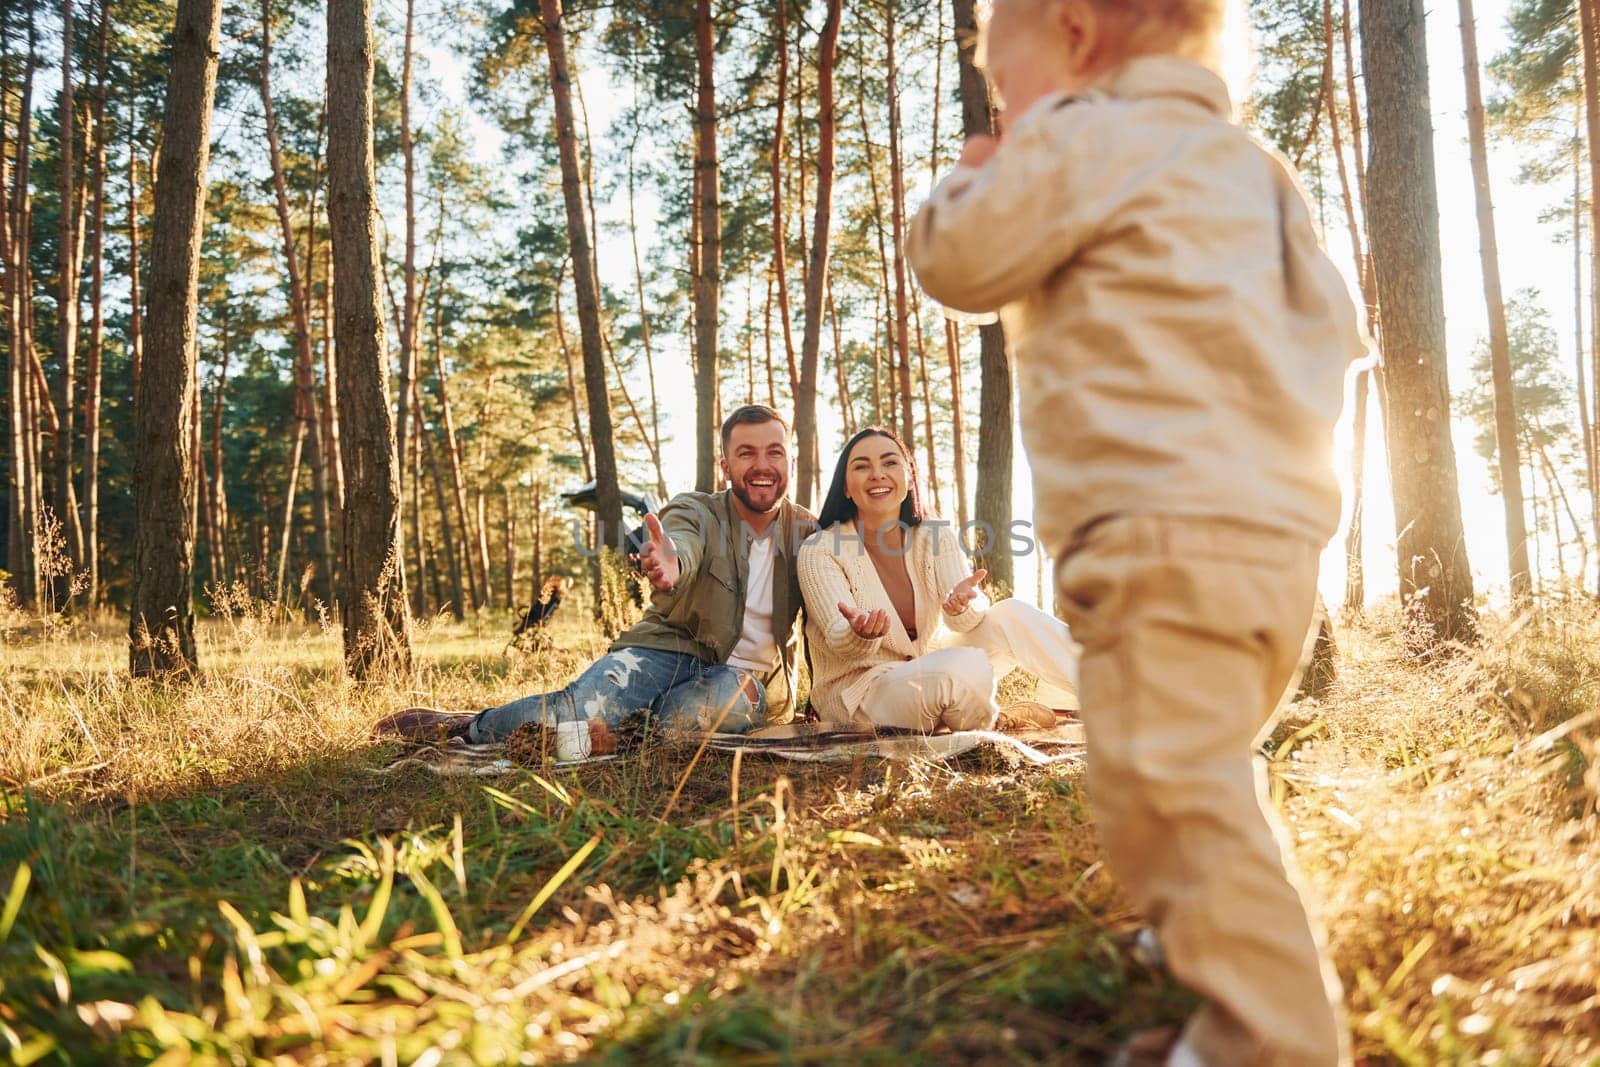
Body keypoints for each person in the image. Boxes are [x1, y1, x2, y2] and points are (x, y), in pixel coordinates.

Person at [906, 1, 1364, 1063]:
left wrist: (968, 181)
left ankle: (1269, 1036)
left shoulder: (1080, 134)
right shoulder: (1251, 165)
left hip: (1162, 541)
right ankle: (1197, 932)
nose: (997, 98)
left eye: (995, 69)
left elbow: (961, 263)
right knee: (1191, 767)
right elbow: (1335, 330)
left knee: (1165, 784)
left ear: (1074, 33)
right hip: (1278, 547)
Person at [377, 404, 816, 753]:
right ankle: (471, 726)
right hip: (668, 653)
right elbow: (682, 543)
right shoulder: (697, 510)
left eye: (774, 452)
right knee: (570, 712)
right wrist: (671, 563)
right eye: (747, 453)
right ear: (725, 465)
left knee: (714, 707)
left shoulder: (807, 533)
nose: (763, 465)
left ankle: (616, 734)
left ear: (790, 461)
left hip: (743, 685)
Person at [796, 426, 1079, 734]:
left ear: (910, 477)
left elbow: (967, 617)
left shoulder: (934, 535)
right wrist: (859, 634)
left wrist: (962, 607)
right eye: (862, 466)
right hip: (864, 692)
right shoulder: (820, 549)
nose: (877, 474)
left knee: (1012, 613)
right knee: (958, 672)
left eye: (890, 463)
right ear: (846, 487)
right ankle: (993, 719)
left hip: (930, 670)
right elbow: (840, 638)